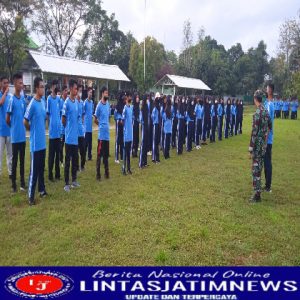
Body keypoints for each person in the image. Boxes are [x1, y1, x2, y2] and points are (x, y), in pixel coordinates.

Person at [24, 77, 47, 205]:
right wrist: (31, 130)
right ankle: (30, 197)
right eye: (41, 87)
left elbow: (43, 118)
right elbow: (25, 121)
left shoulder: (43, 101)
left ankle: (42, 190)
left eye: (44, 86)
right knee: (34, 172)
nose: (43, 89)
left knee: (41, 168)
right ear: (36, 88)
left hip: (43, 142)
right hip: (35, 144)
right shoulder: (32, 103)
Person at [249, 90, 272, 202]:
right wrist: (265, 140)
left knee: (255, 170)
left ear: (255, 99)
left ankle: (257, 195)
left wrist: (250, 148)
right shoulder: (266, 112)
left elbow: (254, 132)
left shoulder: (257, 113)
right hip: (263, 145)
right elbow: (270, 127)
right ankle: (258, 192)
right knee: (260, 167)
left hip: (257, 146)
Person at [6, 73, 27, 193]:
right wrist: (13, 127)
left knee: (22, 161)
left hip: (23, 137)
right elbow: (7, 119)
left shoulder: (23, 100)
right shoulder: (11, 100)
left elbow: (24, 116)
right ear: (15, 84)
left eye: (22, 82)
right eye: (20, 83)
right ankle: (13, 184)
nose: (22, 85)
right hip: (15, 137)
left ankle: (23, 183)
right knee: (14, 161)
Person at [62, 79, 80, 192]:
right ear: (70, 89)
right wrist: (68, 129)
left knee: (75, 161)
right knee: (67, 161)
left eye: (77, 88)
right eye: (75, 88)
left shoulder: (77, 102)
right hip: (68, 138)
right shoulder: (66, 102)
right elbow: (63, 119)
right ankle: (66, 184)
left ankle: (74, 181)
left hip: (75, 137)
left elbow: (77, 117)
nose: (76, 90)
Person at [94, 86, 110, 180]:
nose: (107, 95)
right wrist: (100, 125)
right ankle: (98, 174)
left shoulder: (107, 103)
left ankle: (107, 173)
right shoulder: (99, 105)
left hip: (107, 135)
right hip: (101, 136)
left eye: (107, 93)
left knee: (106, 155)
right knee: (99, 155)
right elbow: (95, 119)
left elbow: (108, 116)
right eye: (106, 93)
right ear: (102, 94)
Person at [47, 80, 61, 181]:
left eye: (57, 85)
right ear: (52, 87)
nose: (55, 87)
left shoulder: (59, 99)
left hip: (58, 131)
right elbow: (48, 114)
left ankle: (57, 174)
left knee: (58, 154)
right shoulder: (49, 99)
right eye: (54, 86)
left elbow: (60, 112)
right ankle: (50, 174)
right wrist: (49, 126)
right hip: (52, 132)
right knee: (51, 155)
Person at [0, 76, 12, 181]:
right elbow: (0, 103)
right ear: (0, 84)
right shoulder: (3, 96)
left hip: (9, 130)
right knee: (0, 155)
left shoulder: (10, 97)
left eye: (7, 83)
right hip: (0, 131)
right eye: (4, 83)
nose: (6, 85)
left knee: (10, 154)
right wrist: (4, 93)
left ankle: (11, 173)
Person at [263, 83, 275, 193]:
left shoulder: (269, 105)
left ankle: (268, 186)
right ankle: (267, 184)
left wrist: (265, 138)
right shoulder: (268, 103)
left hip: (267, 138)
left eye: (266, 88)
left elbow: (268, 123)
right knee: (266, 161)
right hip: (268, 137)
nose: (265, 90)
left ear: (270, 90)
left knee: (267, 162)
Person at [122, 93, 133, 175]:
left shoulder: (131, 108)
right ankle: (123, 168)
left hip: (130, 133)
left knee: (129, 152)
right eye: (128, 98)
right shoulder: (125, 108)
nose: (130, 99)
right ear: (126, 100)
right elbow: (122, 120)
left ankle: (129, 168)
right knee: (125, 152)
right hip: (126, 133)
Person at [77, 85, 85, 171]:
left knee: (82, 150)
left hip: (81, 130)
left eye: (81, 91)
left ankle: (82, 165)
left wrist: (82, 123)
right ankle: (76, 166)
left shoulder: (82, 103)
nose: (80, 92)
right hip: (75, 131)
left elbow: (83, 113)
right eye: (79, 90)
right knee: (76, 151)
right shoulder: (74, 102)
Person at [84, 87, 94, 161]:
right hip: (86, 126)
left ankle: (89, 155)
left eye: (91, 92)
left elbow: (92, 112)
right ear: (87, 93)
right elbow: (83, 113)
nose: (91, 93)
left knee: (90, 142)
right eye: (90, 92)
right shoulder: (85, 102)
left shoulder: (92, 102)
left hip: (90, 126)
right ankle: (84, 154)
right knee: (86, 142)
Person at [139, 96, 149, 168]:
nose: (148, 100)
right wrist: (143, 123)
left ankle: (145, 162)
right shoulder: (142, 109)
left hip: (147, 127)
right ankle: (140, 163)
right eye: (147, 98)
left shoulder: (147, 108)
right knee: (143, 145)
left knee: (146, 144)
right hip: (143, 127)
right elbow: (140, 119)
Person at [114, 93, 124, 163]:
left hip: (123, 123)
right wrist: (118, 119)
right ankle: (116, 157)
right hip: (118, 122)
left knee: (122, 140)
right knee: (118, 140)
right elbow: (115, 115)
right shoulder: (118, 106)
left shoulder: (124, 106)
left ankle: (122, 156)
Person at [59, 85, 68, 167]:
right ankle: (61, 161)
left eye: (67, 91)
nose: (66, 92)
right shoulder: (60, 101)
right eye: (65, 90)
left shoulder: (68, 101)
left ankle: (66, 160)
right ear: (62, 92)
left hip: (67, 129)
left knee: (67, 146)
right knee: (61, 146)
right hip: (61, 129)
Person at [151, 97, 160, 163]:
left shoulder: (158, 108)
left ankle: (157, 157)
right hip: (155, 125)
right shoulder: (154, 109)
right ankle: (154, 158)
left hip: (158, 125)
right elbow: (152, 116)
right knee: (154, 141)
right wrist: (155, 122)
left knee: (157, 141)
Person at [132, 93, 140, 157]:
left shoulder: (138, 107)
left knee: (137, 137)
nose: (138, 98)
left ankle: (136, 151)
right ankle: (133, 151)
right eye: (136, 97)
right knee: (134, 137)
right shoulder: (133, 106)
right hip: (134, 124)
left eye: (138, 97)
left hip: (137, 123)